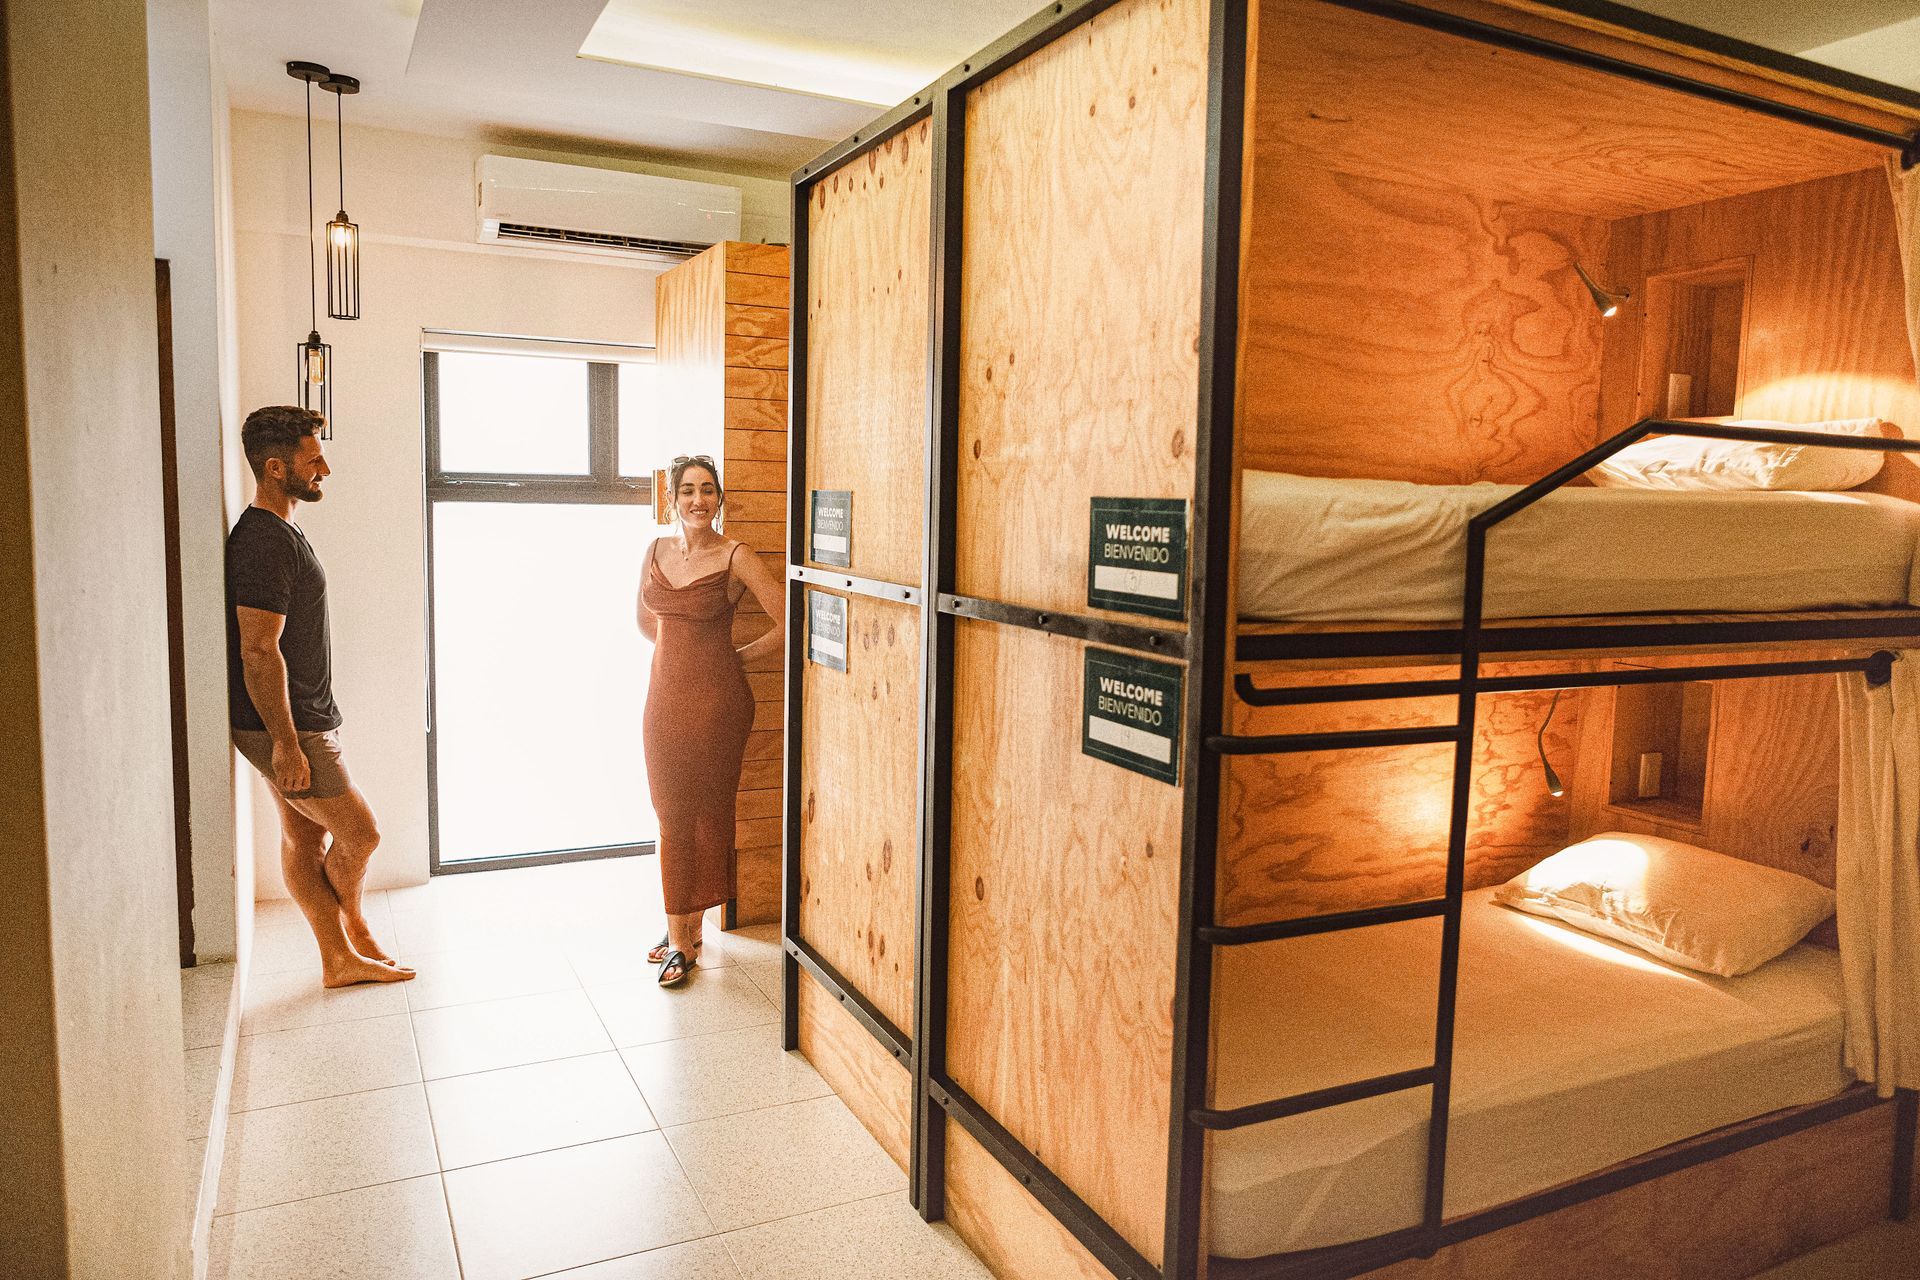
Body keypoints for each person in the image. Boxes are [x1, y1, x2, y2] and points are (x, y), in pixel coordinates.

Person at [227, 405, 413, 988]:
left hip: (300, 718)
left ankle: (336, 958)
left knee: (304, 835)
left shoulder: (279, 529)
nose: (324, 469)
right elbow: (258, 649)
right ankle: (352, 926)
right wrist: (286, 742)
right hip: (288, 725)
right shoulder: (261, 542)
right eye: (313, 460)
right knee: (361, 834)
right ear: (276, 468)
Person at [637, 454, 784, 986]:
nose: (698, 500)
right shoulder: (654, 550)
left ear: (720, 499)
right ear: (673, 499)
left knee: (701, 814)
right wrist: (683, 658)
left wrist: (729, 658)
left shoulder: (735, 556)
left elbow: (788, 622)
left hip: (719, 705)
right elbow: (644, 623)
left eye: (708, 490)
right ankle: (684, 924)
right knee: (667, 807)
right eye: (687, 490)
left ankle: (682, 940)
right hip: (664, 702)